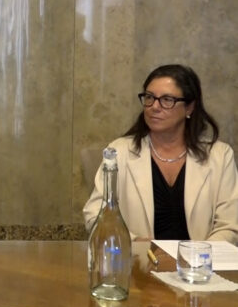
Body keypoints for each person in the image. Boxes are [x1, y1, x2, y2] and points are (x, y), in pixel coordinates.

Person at [83, 64, 238, 244]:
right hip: (139, 259)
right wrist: (134, 243)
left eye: (167, 100)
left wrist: (200, 255)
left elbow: (229, 225)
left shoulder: (219, 155)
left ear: (189, 108)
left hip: (200, 260)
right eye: (149, 97)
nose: (154, 107)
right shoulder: (120, 151)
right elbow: (94, 215)